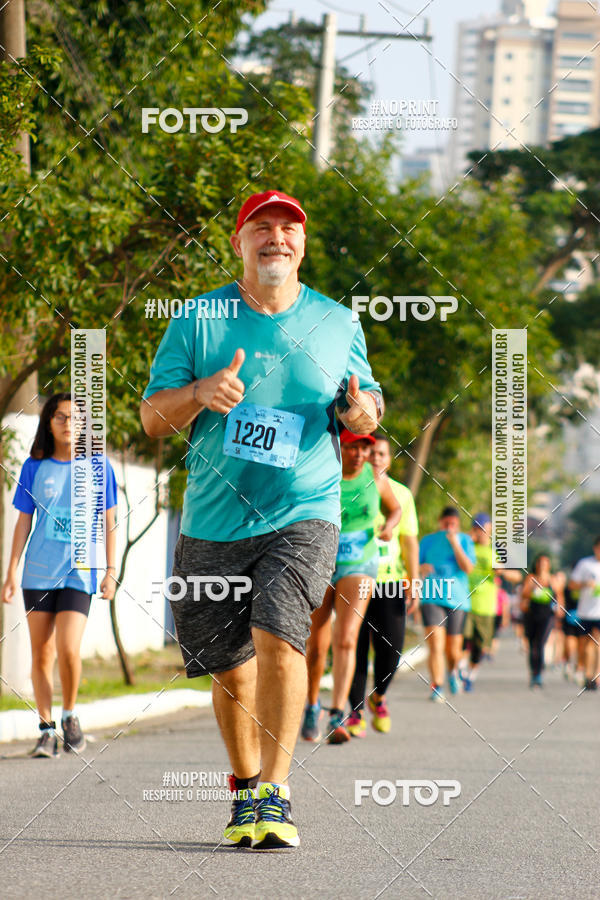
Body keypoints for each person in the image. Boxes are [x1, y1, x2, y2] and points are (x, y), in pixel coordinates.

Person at [140, 190, 383, 849]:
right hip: (216, 518)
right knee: (231, 668)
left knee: (280, 634)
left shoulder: (337, 322)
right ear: (239, 242)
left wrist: (362, 415)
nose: (277, 237)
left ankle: (276, 794)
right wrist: (199, 393)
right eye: (262, 227)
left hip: (304, 508)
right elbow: (152, 420)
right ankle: (246, 787)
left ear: (302, 246)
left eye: (289, 229)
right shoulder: (198, 319)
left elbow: (367, 408)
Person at [1, 393, 117, 756]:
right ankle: (46, 728)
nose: (68, 423)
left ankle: (69, 715)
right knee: (42, 654)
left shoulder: (100, 468)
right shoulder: (34, 468)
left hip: (80, 574)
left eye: (75, 417)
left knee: (68, 649)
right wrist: (10, 572)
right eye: (60, 417)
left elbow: (110, 523)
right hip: (38, 573)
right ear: (49, 423)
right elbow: (23, 522)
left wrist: (112, 570)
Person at [303, 430, 401, 744]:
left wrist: (388, 526)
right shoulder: (324, 475)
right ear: (339, 447)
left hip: (360, 565)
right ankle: (311, 703)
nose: (359, 454)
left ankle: (337, 713)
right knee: (317, 645)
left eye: (364, 449)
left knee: (346, 638)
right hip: (322, 561)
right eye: (351, 447)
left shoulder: (376, 477)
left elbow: (395, 508)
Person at [346, 433, 419, 736]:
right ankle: (354, 713)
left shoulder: (401, 494)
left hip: (390, 584)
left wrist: (413, 581)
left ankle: (379, 696)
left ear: (390, 460)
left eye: (382, 454)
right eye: (372, 453)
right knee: (355, 646)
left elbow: (410, 540)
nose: (376, 458)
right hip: (354, 580)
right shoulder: (349, 487)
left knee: (392, 651)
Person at [419, 506, 476, 702]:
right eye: (446, 523)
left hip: (457, 599)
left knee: (453, 650)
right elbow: (413, 565)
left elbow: (468, 568)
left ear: (458, 525)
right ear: (440, 522)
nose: (449, 527)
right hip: (431, 597)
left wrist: (455, 544)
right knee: (435, 643)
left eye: (453, 524)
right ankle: (437, 685)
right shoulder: (427, 541)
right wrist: (420, 568)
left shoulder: (466, 541)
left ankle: (453, 672)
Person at [460, 513, 521, 691]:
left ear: (490, 528)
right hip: (465, 601)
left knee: (479, 647)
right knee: (463, 640)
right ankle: (460, 669)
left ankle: (470, 675)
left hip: (487, 606)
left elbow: (517, 575)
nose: (480, 532)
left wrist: (501, 571)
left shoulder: (498, 550)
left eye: (483, 528)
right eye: (477, 528)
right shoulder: (466, 546)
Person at [521, 554, 562, 688]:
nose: (543, 566)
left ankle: (539, 673)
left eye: (545, 563)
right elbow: (524, 593)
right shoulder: (531, 578)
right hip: (532, 614)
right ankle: (534, 672)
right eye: (540, 563)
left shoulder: (553, 579)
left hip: (547, 615)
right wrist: (534, 588)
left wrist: (560, 610)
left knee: (540, 643)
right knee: (532, 645)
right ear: (537, 564)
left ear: (549, 565)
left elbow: (559, 595)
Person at [569, 538, 600, 691]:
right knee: (587, 644)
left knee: (597, 643)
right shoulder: (585, 564)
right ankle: (588, 675)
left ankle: (595, 675)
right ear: (595, 548)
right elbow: (572, 584)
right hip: (586, 612)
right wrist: (585, 584)